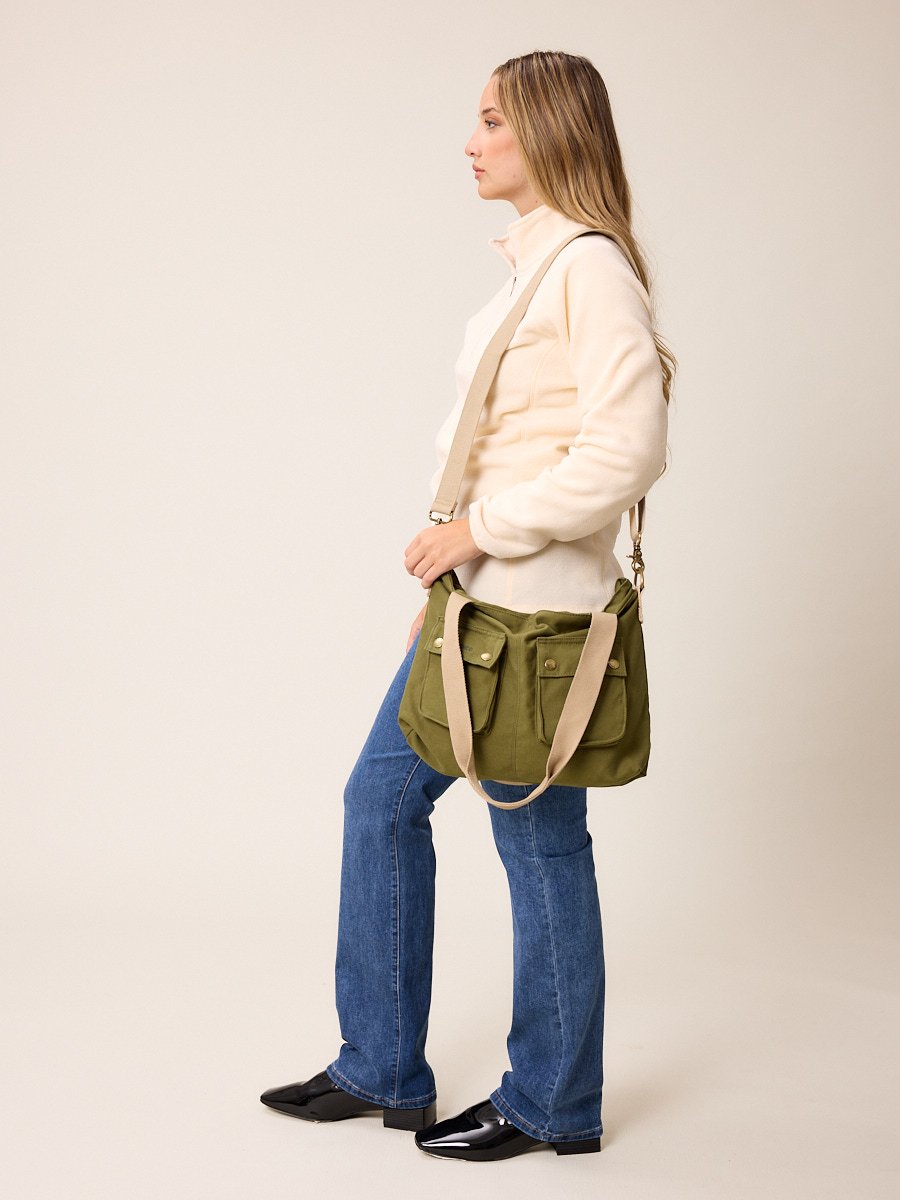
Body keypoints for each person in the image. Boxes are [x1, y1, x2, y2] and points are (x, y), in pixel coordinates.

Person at [260, 49, 675, 1163]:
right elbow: (509, 442)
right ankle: (380, 1063)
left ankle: (552, 1101)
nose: (472, 140)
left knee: (539, 843)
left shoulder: (589, 269)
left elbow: (629, 451)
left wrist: (477, 534)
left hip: (532, 620)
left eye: (493, 119)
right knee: (380, 802)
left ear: (549, 129)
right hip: (476, 610)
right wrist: (452, 579)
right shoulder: (531, 270)